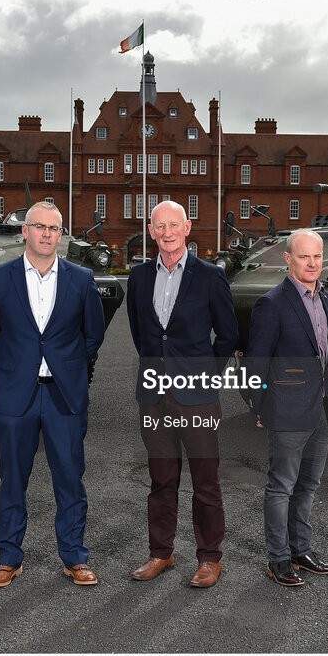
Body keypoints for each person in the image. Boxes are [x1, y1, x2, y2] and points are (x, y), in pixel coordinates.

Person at [0, 201, 105, 587]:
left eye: (54, 228)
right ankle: (8, 558)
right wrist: (14, 365)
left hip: (65, 397)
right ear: (25, 231)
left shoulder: (81, 279)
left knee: (70, 479)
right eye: (39, 226)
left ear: (60, 235)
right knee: (13, 479)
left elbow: (93, 334)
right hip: (18, 396)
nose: (47, 234)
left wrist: (67, 364)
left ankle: (75, 557)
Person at [126, 200, 238, 588]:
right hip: (154, 394)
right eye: (160, 226)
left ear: (188, 228)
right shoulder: (139, 277)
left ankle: (209, 557)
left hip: (197, 396)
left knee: (206, 481)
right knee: (161, 480)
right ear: (152, 230)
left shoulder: (210, 276)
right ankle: (161, 553)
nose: (168, 233)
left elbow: (227, 335)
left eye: (175, 225)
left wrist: (204, 376)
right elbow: (143, 336)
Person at [245, 229, 328, 587]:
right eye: (304, 256)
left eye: (317, 256)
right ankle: (279, 559)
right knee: (281, 486)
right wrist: (258, 405)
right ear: (288, 259)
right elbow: (256, 362)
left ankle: (301, 550)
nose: (312, 263)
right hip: (287, 411)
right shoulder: (272, 303)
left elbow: (325, 360)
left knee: (308, 485)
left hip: (322, 410)